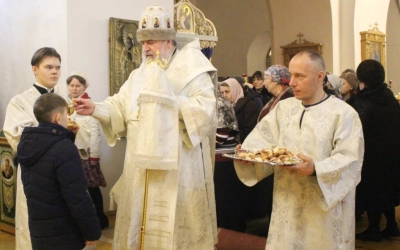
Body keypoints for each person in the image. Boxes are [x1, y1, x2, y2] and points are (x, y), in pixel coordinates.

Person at [74, 4, 218, 249]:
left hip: (177, 168)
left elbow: (205, 111)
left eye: (151, 41)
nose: (146, 48)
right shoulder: (139, 75)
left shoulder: (193, 70)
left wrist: (170, 103)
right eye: (143, 43)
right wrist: (96, 109)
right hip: (139, 167)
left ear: (168, 42)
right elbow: (120, 105)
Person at [234, 49, 364, 250]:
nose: (291, 82)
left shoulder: (344, 114)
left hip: (322, 211)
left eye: (299, 76)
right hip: (287, 199)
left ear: (320, 76)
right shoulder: (284, 109)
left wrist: (315, 169)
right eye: (291, 75)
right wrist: (249, 155)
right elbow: (263, 140)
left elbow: (350, 160)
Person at [3, 47, 90, 250]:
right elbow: (19, 135)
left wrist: (76, 130)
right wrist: (58, 131)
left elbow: (84, 138)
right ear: (35, 69)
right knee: (34, 231)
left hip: (63, 175)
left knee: (63, 229)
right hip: (37, 177)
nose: (55, 72)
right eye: (49, 67)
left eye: (58, 68)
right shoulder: (19, 102)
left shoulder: (67, 102)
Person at [17, 93, 101, 250]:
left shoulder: (28, 144)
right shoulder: (64, 148)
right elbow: (77, 196)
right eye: (65, 114)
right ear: (57, 118)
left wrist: (69, 137)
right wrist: (92, 232)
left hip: (40, 231)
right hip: (64, 233)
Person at [348, 59, 400, 242]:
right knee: (388, 188)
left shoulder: (364, 100)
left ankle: (373, 228)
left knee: (372, 191)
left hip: (372, 154)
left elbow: (356, 128)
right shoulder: (388, 95)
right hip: (392, 151)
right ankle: (392, 225)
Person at [67, 73, 109, 230]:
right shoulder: (67, 106)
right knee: (77, 189)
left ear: (84, 87)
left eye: (78, 85)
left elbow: (95, 134)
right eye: (71, 85)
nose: (74, 88)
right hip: (71, 153)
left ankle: (100, 219)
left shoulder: (89, 105)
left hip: (86, 154)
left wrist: (94, 157)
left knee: (92, 188)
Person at [220, 78, 258, 143]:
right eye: (222, 92)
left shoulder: (249, 106)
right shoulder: (226, 107)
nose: (224, 95)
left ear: (235, 90)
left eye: (227, 92)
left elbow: (250, 131)